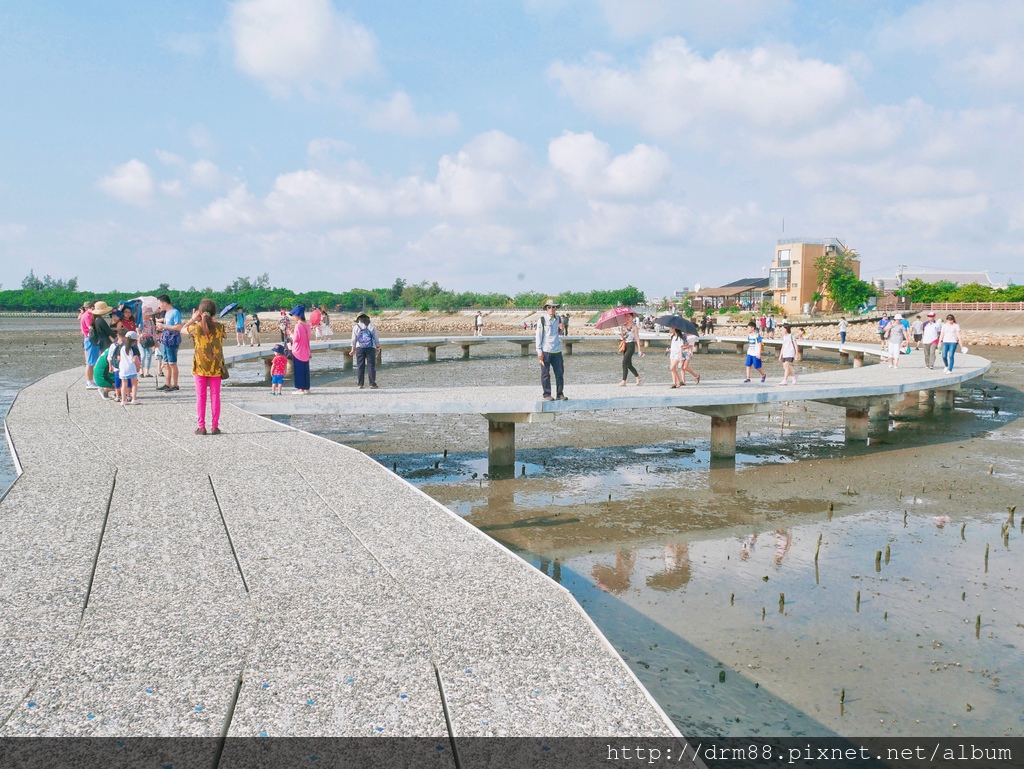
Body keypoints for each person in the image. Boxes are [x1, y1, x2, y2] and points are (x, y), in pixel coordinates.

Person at [183, 298, 226, 434]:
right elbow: (218, 331)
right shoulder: (220, 328)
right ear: (214, 313)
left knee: (200, 397)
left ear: (200, 313)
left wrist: (193, 319)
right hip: (216, 367)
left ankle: (201, 426)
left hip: (200, 367)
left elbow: (182, 330)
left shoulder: (196, 328)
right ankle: (215, 426)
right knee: (215, 396)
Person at [535, 298, 567, 401]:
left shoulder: (559, 319)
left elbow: (559, 334)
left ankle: (560, 394)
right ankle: (547, 394)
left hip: (557, 350)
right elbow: (538, 336)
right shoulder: (542, 320)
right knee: (545, 374)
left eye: (554, 307)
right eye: (549, 307)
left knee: (559, 374)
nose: (552, 309)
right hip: (546, 351)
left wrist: (561, 329)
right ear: (546, 309)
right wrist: (539, 351)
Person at [155, 294, 183, 392]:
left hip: (172, 340)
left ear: (165, 303)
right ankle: (168, 384)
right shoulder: (167, 313)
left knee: (172, 363)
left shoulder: (175, 312)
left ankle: (175, 384)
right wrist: (161, 327)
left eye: (160, 304)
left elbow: (179, 327)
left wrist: (164, 326)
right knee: (166, 363)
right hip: (165, 340)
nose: (159, 306)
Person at [350, 312, 380, 389]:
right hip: (370, 347)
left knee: (360, 366)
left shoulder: (356, 327)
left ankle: (360, 384)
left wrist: (352, 349)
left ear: (359, 319)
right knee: (371, 366)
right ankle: (372, 384)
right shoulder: (371, 326)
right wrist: (377, 346)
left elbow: (354, 339)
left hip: (360, 348)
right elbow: (376, 337)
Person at [288, 306, 311, 394]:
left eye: (294, 315)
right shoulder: (307, 325)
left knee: (298, 370)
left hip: (298, 350)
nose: (293, 317)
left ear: (298, 315)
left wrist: (290, 334)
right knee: (305, 369)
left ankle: (300, 389)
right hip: (306, 350)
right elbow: (308, 338)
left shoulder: (298, 325)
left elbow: (296, 339)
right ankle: (306, 388)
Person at [116, 330, 142, 404]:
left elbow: (118, 358)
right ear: (135, 341)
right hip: (131, 367)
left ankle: (123, 400)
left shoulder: (121, 347)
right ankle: (134, 399)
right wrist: (138, 366)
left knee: (124, 384)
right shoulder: (134, 348)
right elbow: (135, 359)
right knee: (134, 384)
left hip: (123, 367)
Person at [618, 312, 644, 386]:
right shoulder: (622, 326)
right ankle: (638, 377)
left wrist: (639, 349)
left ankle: (624, 381)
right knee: (628, 364)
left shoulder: (634, 327)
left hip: (631, 345)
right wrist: (621, 335)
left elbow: (637, 338)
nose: (627, 318)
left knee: (624, 363)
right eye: (626, 316)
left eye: (629, 316)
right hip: (625, 346)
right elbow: (622, 337)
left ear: (632, 317)